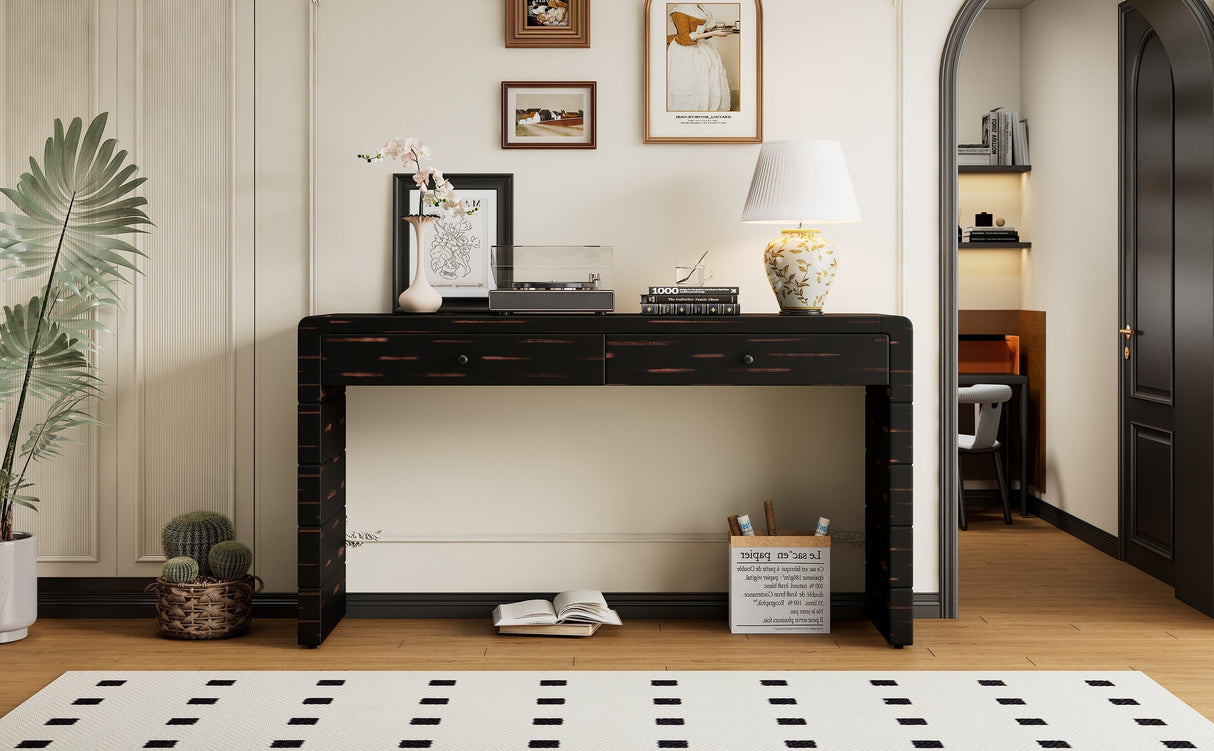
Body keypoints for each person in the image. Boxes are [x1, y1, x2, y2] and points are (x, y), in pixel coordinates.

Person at [666, 3, 733, 112]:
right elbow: (685, 38)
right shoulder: (680, 11)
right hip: (685, 51)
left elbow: (698, 33)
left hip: (702, 49)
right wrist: (715, 33)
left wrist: (715, 30)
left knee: (710, 78)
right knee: (689, 81)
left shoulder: (699, 7)